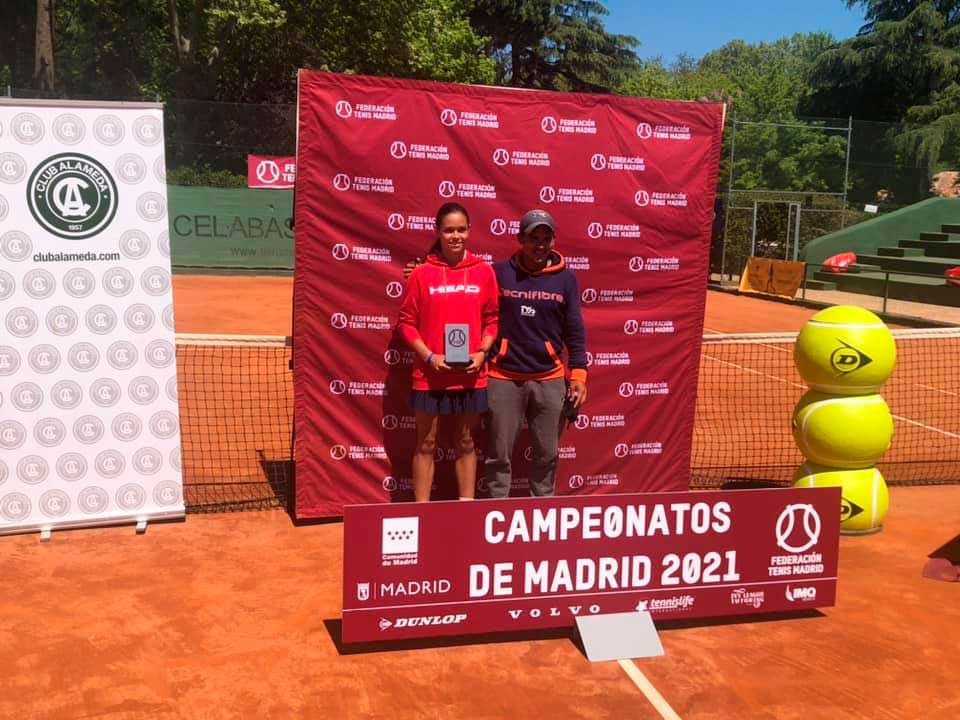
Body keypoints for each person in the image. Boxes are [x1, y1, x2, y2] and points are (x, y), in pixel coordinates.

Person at [395, 203, 499, 502]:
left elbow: (492, 319)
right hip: (430, 373)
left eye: (461, 229)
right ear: (438, 232)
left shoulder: (484, 272)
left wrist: (482, 353)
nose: (456, 236)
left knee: (466, 442)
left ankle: (465, 507)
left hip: (470, 372)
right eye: (449, 230)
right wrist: (429, 356)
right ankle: (422, 510)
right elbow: (407, 324)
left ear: (470, 231)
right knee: (426, 443)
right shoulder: (421, 274)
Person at [485, 209, 588, 497]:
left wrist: (579, 374)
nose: (539, 245)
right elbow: (459, 278)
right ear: (520, 239)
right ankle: (495, 515)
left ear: (553, 241)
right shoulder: (498, 273)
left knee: (547, 456)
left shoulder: (566, 279)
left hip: (550, 378)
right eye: (533, 238)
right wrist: (421, 267)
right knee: (498, 457)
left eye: (546, 238)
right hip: (503, 377)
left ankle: (540, 519)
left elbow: (575, 330)